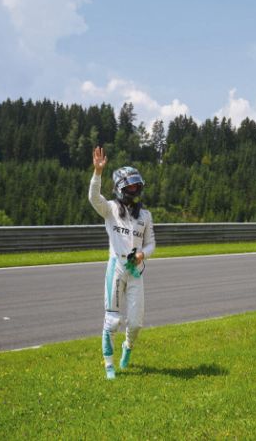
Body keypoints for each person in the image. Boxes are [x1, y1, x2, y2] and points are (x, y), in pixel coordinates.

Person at [89, 146, 156, 380]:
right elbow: (93, 198)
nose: (135, 189)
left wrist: (142, 255)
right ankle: (109, 364)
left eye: (137, 186)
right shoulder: (110, 209)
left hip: (136, 272)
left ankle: (127, 348)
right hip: (116, 269)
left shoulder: (145, 216)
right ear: (120, 188)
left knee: (136, 323)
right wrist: (97, 173)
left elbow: (151, 244)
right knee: (113, 319)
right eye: (130, 186)